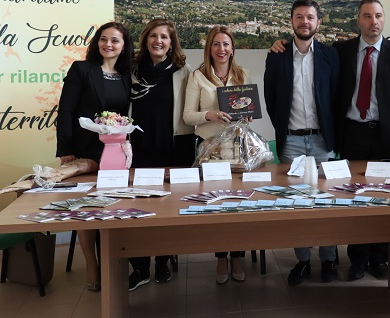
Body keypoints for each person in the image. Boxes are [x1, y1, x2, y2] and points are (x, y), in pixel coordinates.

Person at [333, 0, 390, 281]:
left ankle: (380, 257)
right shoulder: (341, 51)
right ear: (358, 20)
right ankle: (358, 258)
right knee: (355, 197)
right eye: (367, 16)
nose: (373, 22)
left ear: (384, 20)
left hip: (386, 136)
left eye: (378, 16)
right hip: (352, 133)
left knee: (383, 196)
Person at [264, 0, 340, 285]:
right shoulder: (277, 55)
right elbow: (271, 98)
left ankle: (329, 260)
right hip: (292, 142)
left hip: (322, 140)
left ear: (318, 22)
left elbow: (337, 95)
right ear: (291, 21)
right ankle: (304, 261)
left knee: (326, 202)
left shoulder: (331, 55)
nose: (304, 22)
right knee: (297, 203)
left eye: (310, 17)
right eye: (299, 17)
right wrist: (283, 129)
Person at [56, 21, 134, 292]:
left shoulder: (127, 75)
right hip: (83, 150)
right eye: (103, 39)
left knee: (114, 204)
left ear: (124, 46)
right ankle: (92, 263)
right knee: (85, 207)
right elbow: (65, 111)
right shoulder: (82, 69)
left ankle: (113, 260)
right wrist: (65, 150)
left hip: (116, 153)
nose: (108, 44)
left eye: (115, 40)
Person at [128, 18, 196, 291]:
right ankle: (140, 267)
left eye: (164, 37)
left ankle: (163, 262)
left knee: (169, 210)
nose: (158, 41)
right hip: (139, 150)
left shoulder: (183, 71)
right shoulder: (131, 70)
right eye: (153, 36)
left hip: (174, 149)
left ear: (171, 43)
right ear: (146, 40)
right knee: (138, 209)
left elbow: (193, 109)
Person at [183, 25, 249, 284]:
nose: (221, 49)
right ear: (209, 48)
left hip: (236, 146)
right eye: (216, 44)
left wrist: (248, 115)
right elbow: (188, 116)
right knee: (217, 204)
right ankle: (221, 257)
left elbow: (247, 108)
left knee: (239, 203)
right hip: (209, 148)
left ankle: (238, 255)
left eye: (226, 44)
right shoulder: (198, 76)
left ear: (232, 49)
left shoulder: (242, 74)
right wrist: (209, 115)